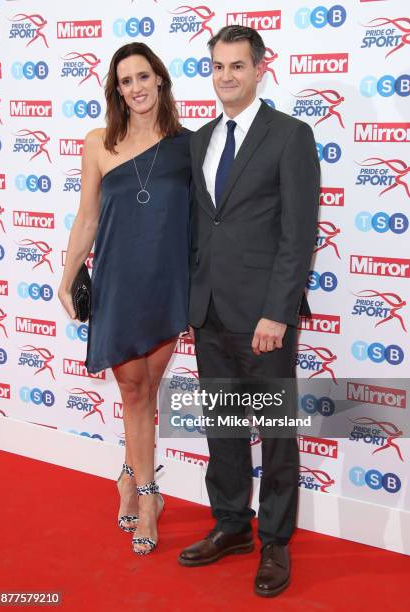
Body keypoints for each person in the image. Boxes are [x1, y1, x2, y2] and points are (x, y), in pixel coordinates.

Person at [178, 26, 320, 597]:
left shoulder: (290, 135)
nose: (226, 76)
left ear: (261, 68)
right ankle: (232, 524)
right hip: (208, 310)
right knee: (224, 425)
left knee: (277, 431)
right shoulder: (200, 140)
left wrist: (277, 312)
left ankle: (276, 543)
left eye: (237, 65)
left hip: (264, 316)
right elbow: (200, 225)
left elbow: (298, 231)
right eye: (217, 66)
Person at [58, 42, 191, 556]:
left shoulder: (188, 145)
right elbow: (87, 218)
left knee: (149, 389)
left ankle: (128, 475)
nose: (135, 87)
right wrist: (68, 278)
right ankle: (149, 495)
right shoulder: (98, 142)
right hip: (117, 281)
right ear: (117, 90)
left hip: (166, 283)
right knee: (133, 392)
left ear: (159, 80)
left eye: (142, 76)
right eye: (125, 80)